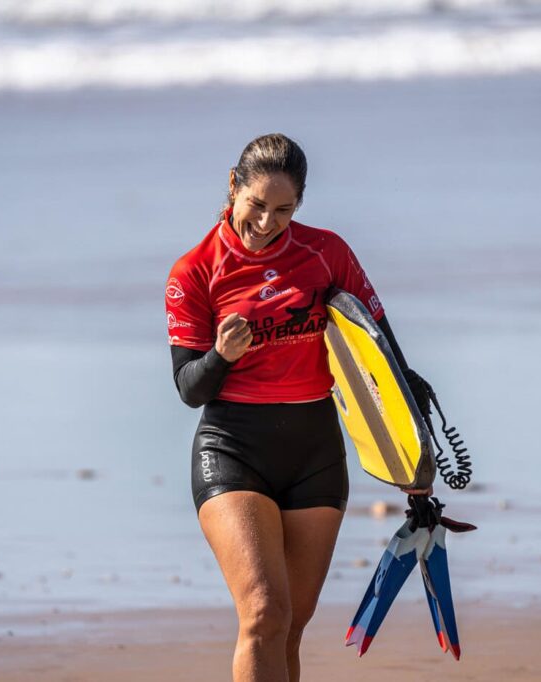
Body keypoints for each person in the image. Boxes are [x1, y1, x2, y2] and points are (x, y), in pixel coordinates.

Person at [165, 133, 428, 682]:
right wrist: (220, 355)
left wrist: (414, 456)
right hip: (234, 447)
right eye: (256, 205)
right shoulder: (194, 272)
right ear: (233, 187)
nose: (266, 222)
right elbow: (190, 388)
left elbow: (379, 346)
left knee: (291, 624)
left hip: (314, 450)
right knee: (264, 613)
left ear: (300, 205)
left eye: (283, 210)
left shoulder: (325, 252)